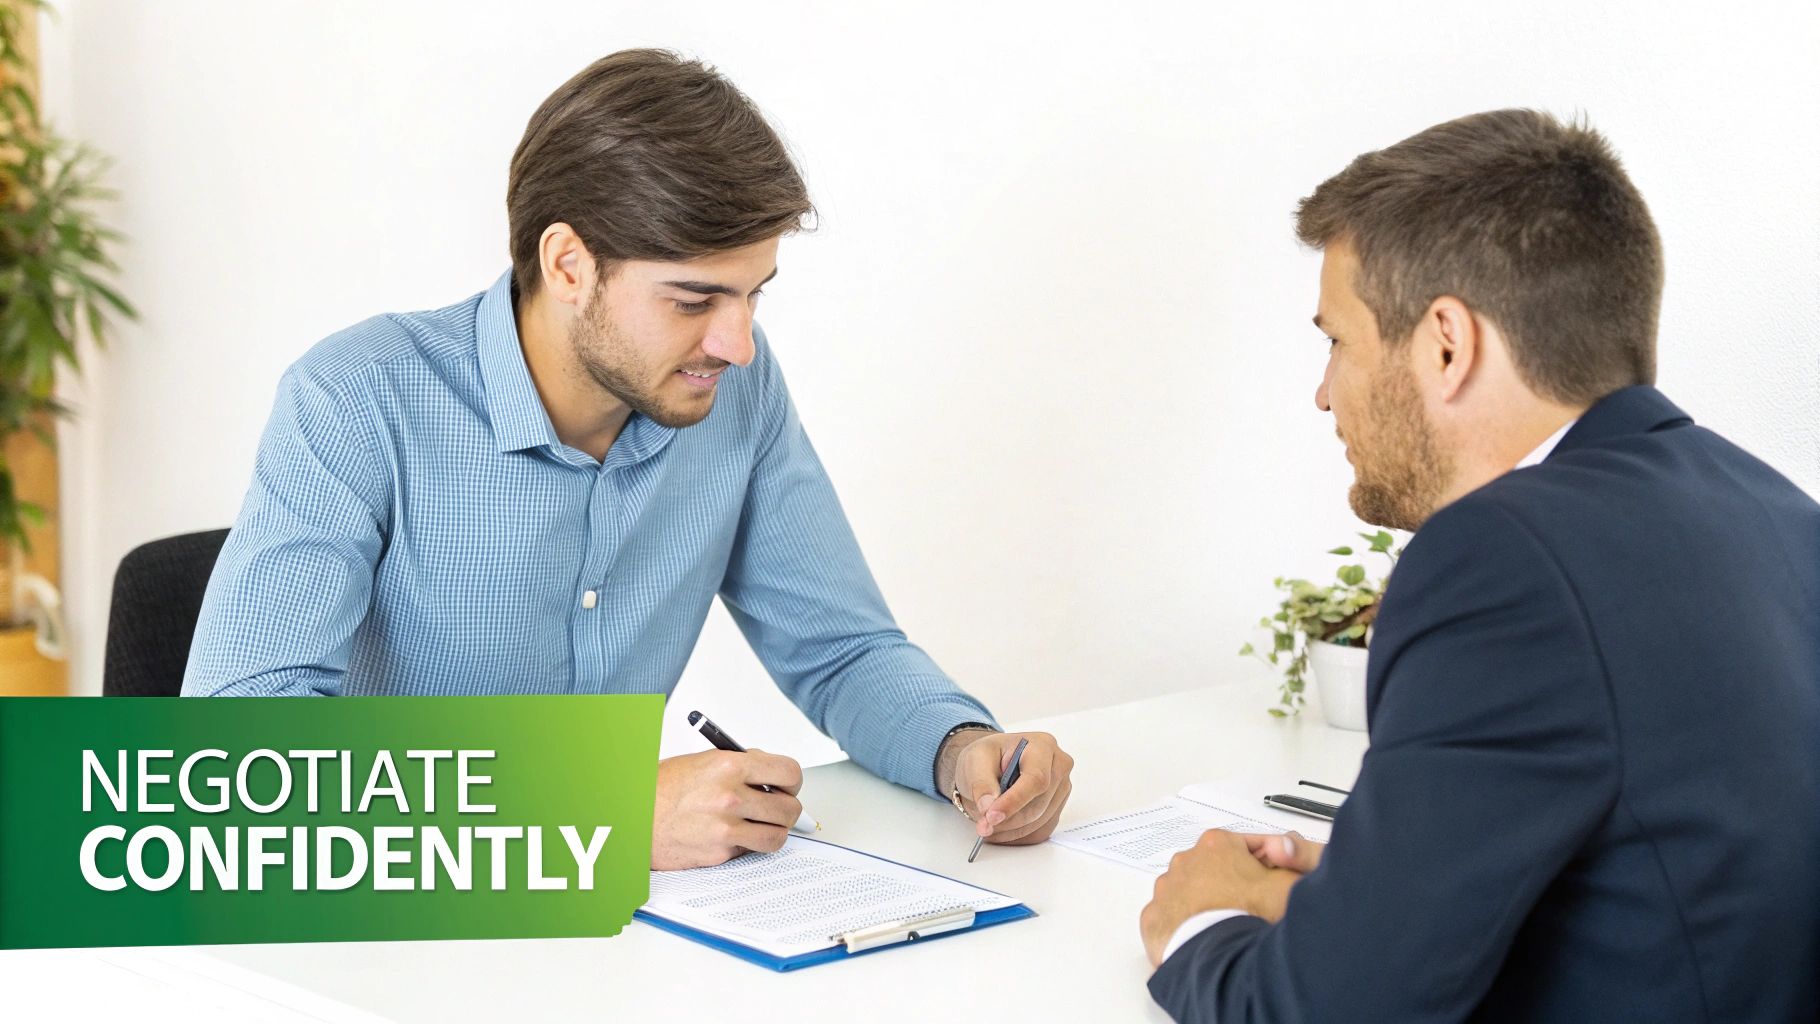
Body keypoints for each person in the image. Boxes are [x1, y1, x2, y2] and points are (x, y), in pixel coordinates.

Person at [182, 49, 1073, 871]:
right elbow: (239, 762)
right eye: (695, 299)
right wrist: (594, 814)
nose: (738, 343)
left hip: (623, 945)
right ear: (568, 263)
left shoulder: (734, 398)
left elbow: (840, 650)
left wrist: (961, 753)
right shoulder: (356, 398)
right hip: (379, 925)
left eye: (753, 295)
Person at [1140, 109, 1819, 1021]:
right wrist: (1364, 901)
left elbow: (1329, 1014)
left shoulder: (1503, 559)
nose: (1322, 392)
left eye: (1336, 340)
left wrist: (1200, 921)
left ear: (1446, 344)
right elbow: (1671, 884)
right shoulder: (1773, 509)